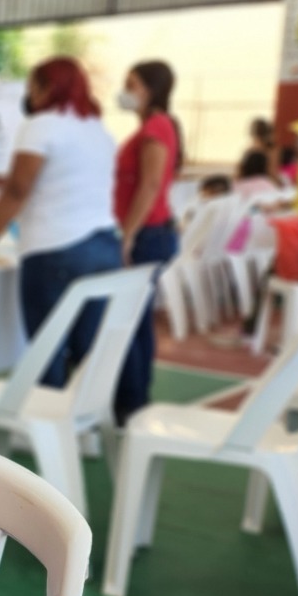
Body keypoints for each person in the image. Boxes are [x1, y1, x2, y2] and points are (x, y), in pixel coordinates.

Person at [0, 57, 118, 388]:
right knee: (88, 350)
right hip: (104, 245)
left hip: (55, 248)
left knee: (47, 349)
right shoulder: (97, 129)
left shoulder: (41, 124)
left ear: (48, 87)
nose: (30, 94)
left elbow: (18, 189)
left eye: (33, 86)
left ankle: (45, 421)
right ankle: (80, 427)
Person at [113, 60, 182, 424]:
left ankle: (133, 403)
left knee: (131, 323)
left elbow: (150, 184)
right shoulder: (152, 128)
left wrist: (129, 235)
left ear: (150, 89)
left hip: (147, 235)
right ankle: (133, 399)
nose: (124, 90)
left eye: (131, 83)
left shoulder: (157, 127)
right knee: (135, 322)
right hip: (149, 233)